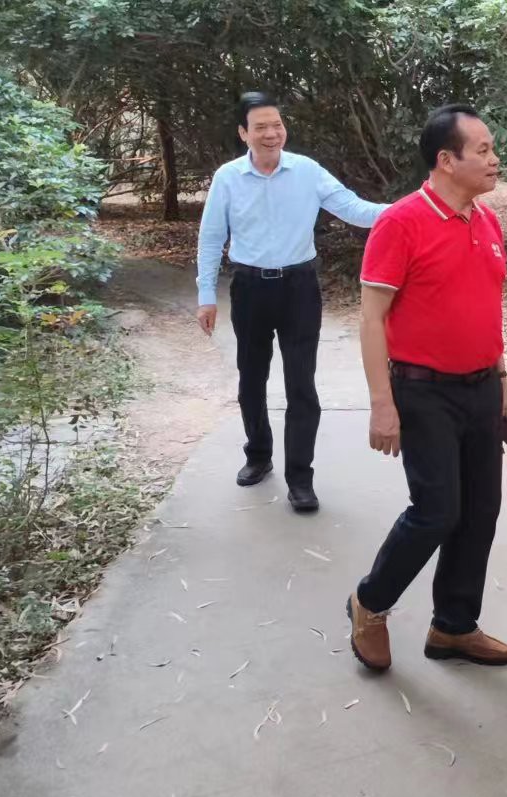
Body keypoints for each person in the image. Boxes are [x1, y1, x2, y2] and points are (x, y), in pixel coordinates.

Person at [346, 105, 507, 672]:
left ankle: (453, 626)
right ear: (447, 160)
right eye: (483, 150)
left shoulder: (486, 222)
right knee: (437, 511)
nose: (495, 159)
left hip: (481, 388)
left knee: (481, 510)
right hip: (423, 392)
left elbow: (485, 309)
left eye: (492, 149)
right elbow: (372, 319)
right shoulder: (400, 223)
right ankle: (370, 603)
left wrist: (501, 381)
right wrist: (382, 404)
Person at [195, 92, 388, 512]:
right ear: (243, 133)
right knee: (251, 379)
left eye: (277, 125)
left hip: (299, 288)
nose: (271, 133)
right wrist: (206, 296)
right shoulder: (228, 178)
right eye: (261, 127)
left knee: (302, 384)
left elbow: (353, 208)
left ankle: (300, 478)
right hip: (249, 288)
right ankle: (258, 455)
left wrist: (411, 209)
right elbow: (211, 238)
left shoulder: (306, 171)